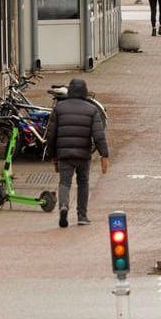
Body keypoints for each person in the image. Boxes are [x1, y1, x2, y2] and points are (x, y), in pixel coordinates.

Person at [47, 78, 109, 228]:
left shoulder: (59, 108)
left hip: (64, 154)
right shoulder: (92, 109)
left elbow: (51, 134)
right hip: (83, 154)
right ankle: (82, 215)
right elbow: (98, 135)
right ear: (84, 91)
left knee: (64, 183)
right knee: (83, 183)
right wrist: (104, 154)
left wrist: (52, 155)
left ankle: (63, 206)